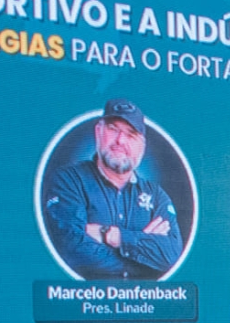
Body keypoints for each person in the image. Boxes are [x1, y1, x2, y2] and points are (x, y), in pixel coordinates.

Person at [40, 99, 186, 281]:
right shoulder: (69, 180)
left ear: (142, 146)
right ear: (98, 132)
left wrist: (109, 234)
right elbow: (71, 249)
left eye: (131, 134)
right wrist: (143, 255)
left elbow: (171, 255)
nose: (120, 140)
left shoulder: (156, 196)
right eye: (113, 129)